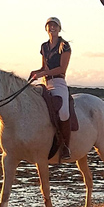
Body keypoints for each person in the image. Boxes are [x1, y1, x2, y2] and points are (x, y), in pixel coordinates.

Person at [29, 17, 72, 159]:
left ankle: (66, 145)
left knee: (64, 113)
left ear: (59, 28)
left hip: (59, 82)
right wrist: (36, 72)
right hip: (46, 82)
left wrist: (44, 72)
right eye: (49, 26)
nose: (52, 28)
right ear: (46, 29)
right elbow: (44, 67)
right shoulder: (44, 47)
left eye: (55, 26)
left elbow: (62, 68)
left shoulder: (64, 45)